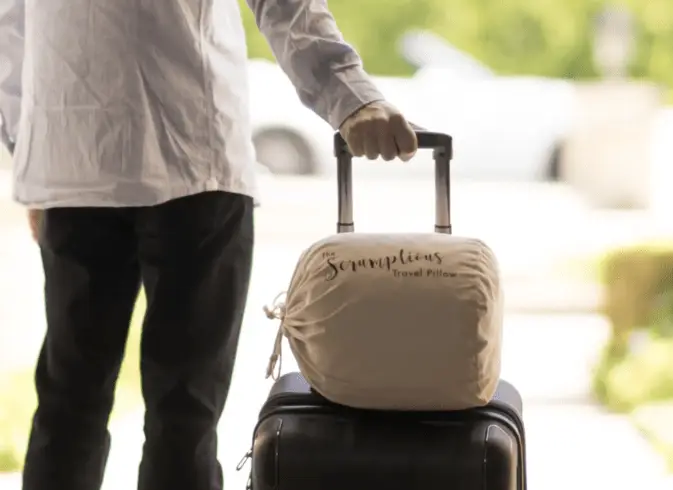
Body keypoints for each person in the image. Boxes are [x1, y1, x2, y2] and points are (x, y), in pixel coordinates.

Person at [0, 0, 419, 488]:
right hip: (192, 152)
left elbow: (10, 27)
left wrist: (29, 149)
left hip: (78, 153)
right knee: (182, 414)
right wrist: (351, 97)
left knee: (71, 404)